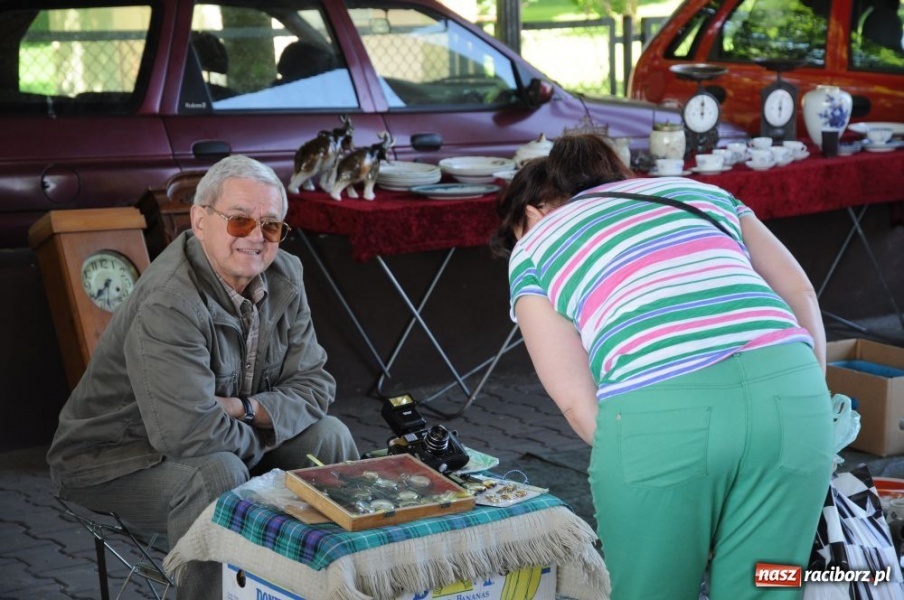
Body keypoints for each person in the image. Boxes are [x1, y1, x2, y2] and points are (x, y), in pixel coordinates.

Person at [491, 135, 834, 599]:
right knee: (768, 584)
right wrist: (812, 397)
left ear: (531, 213)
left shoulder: (536, 244)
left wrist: (639, 455)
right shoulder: (705, 193)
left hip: (663, 418)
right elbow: (802, 294)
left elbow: (574, 399)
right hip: (796, 398)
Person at [47, 154, 360, 599]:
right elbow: (189, 434)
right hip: (112, 459)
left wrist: (246, 408)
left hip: (226, 436)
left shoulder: (286, 274)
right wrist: (263, 454)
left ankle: (328, 589)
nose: (256, 237)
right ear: (200, 219)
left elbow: (315, 385)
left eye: (270, 226)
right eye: (239, 221)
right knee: (216, 476)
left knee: (329, 437)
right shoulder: (170, 300)